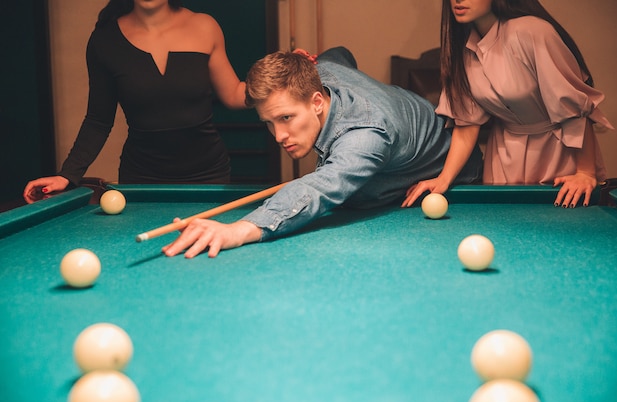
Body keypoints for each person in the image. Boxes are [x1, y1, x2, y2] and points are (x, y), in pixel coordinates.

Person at [162, 47, 483, 259]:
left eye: (286, 118)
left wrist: (239, 229)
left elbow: (319, 186)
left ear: (317, 102)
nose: (279, 136)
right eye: (269, 123)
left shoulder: (366, 136)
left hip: (452, 176)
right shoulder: (322, 70)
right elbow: (339, 53)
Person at [23, 0, 247, 203]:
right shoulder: (104, 40)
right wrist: (67, 175)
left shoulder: (205, 26)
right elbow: (98, 121)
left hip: (208, 174)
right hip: (142, 178)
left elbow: (234, 94)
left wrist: (277, 82)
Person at [402, 0, 613, 209]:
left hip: (559, 155)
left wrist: (585, 173)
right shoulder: (462, 48)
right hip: (503, 161)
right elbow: (467, 124)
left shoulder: (534, 31)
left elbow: (574, 108)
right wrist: (443, 179)